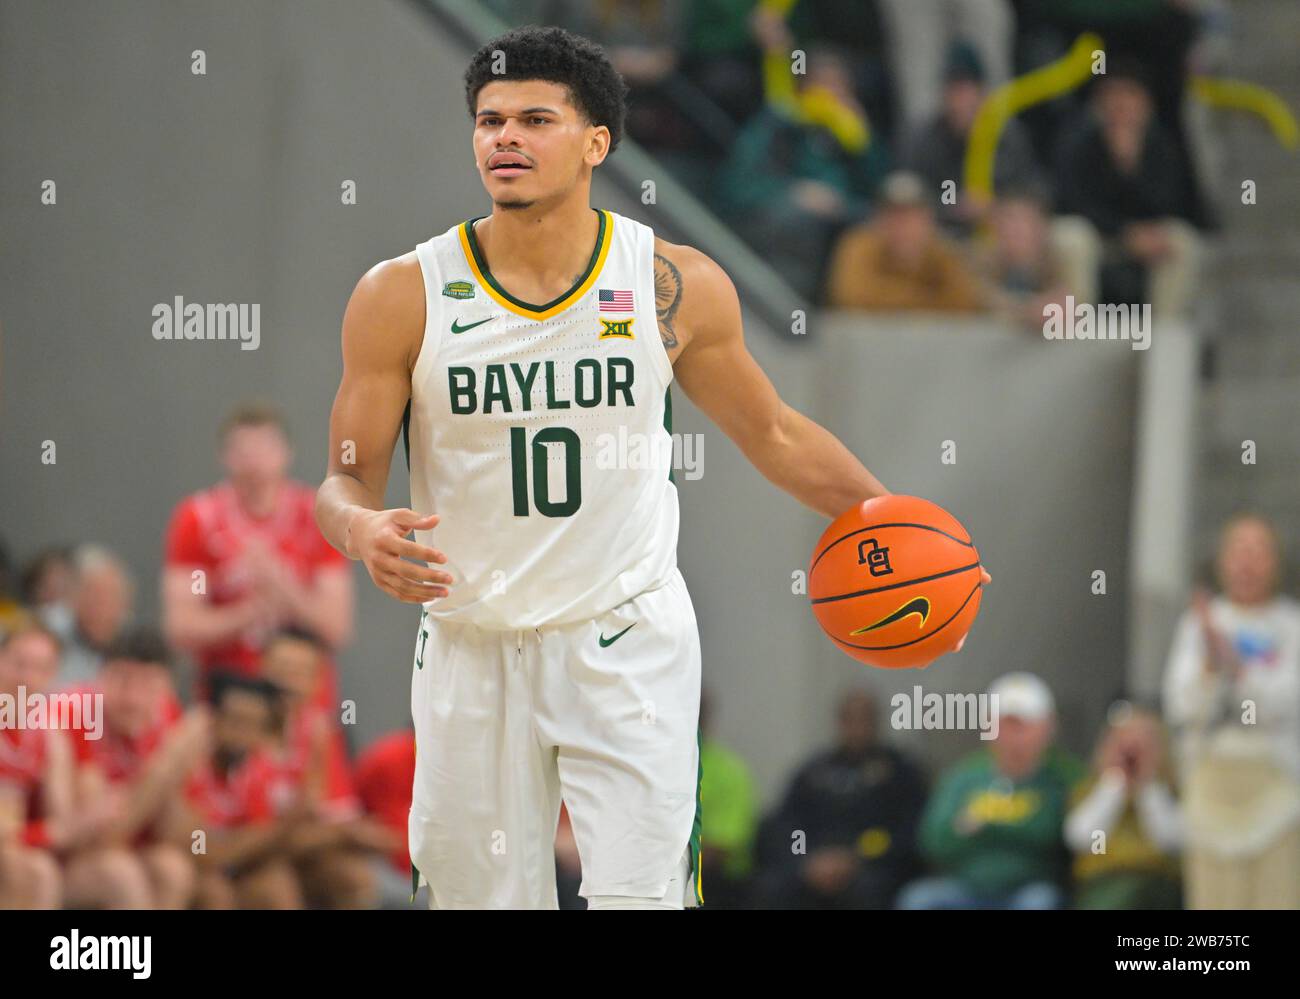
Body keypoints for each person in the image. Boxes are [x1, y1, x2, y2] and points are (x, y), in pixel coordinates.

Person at [314, 25, 990, 911]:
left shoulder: (670, 283)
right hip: (471, 642)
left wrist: (892, 521)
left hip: (624, 637)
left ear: (597, 142)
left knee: (645, 899)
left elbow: (775, 433)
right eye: (489, 121)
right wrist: (361, 528)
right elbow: (342, 480)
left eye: (534, 119)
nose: (504, 138)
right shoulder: (402, 293)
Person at [162, 402, 354, 701]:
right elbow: (181, 626)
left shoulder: (317, 516)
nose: (253, 463)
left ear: (286, 453)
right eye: (242, 451)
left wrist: (281, 585)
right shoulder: (198, 519)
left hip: (303, 697)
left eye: (264, 449)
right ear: (224, 457)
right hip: (228, 695)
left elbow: (335, 626)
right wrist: (251, 611)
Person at [1162, 514, 1300, 908]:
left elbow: (1284, 704)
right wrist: (1209, 665)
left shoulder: (1291, 626)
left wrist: (1235, 665)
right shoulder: (1197, 625)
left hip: (1278, 793)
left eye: (1258, 551)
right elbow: (1181, 706)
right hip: (1211, 788)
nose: (1247, 562)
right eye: (1239, 550)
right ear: (1222, 561)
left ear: (1275, 563)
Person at [899, 672, 1084, 909]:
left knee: (1039, 903)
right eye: (1003, 724)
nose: (1013, 736)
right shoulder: (964, 776)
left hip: (1029, 890)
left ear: (1048, 726)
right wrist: (966, 831)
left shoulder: (1065, 776)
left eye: (1023, 725)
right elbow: (932, 842)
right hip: (965, 888)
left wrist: (988, 825)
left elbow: (1056, 838)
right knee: (918, 899)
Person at [755, 689, 927, 909]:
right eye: (849, 719)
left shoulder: (899, 772)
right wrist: (807, 859)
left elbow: (910, 830)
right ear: (839, 721)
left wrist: (856, 859)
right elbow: (787, 825)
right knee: (772, 888)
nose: (856, 727)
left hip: (872, 864)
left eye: (864, 718)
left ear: (876, 722)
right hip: (813, 860)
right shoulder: (814, 772)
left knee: (870, 890)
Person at [1065, 701, 1183, 909]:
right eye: (1125, 745)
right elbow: (1082, 839)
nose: (1133, 755)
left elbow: (1171, 842)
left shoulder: (1171, 792)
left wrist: (1147, 787)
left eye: (1144, 746)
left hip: (1159, 885)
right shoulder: (1090, 790)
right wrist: (1114, 785)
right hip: (1103, 883)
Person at [826, 171, 987, 312]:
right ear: (878, 218)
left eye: (911, 216)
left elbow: (964, 300)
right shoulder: (859, 244)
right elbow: (851, 295)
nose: (901, 225)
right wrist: (927, 298)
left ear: (928, 219)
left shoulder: (943, 251)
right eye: (893, 215)